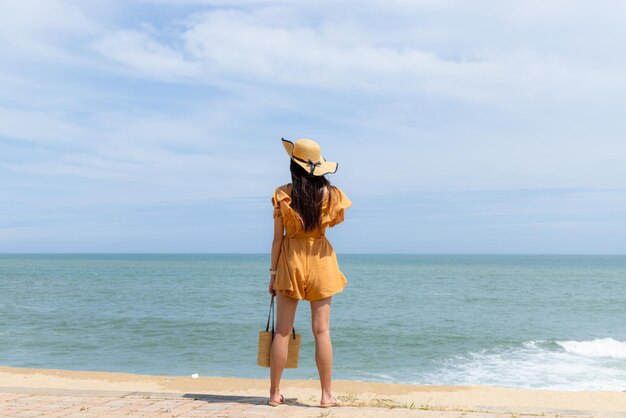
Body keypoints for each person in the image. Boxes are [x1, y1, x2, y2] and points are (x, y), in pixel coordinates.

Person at [268, 138, 352, 408]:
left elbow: (277, 240)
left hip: (290, 261)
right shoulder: (331, 195)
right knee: (322, 331)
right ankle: (326, 396)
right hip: (320, 260)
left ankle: (274, 394)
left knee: (282, 332)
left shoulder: (283, 194)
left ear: (294, 165)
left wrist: (272, 275)